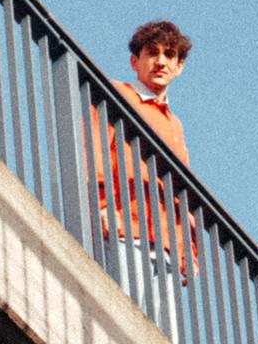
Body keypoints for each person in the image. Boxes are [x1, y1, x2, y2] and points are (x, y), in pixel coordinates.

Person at [87, 20, 197, 342]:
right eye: (152, 53)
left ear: (179, 66)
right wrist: (103, 206)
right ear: (135, 61)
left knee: (164, 332)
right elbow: (94, 150)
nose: (160, 61)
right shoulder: (119, 93)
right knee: (128, 320)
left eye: (169, 54)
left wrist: (187, 249)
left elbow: (181, 194)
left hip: (166, 241)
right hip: (127, 225)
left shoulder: (174, 125)